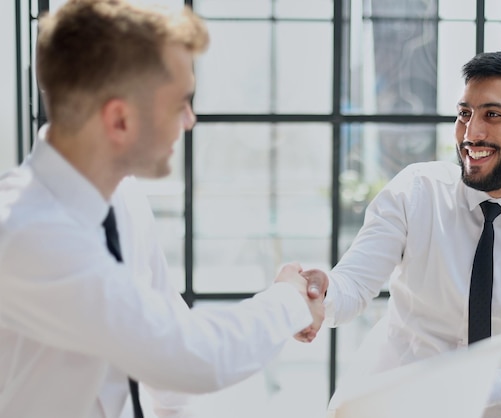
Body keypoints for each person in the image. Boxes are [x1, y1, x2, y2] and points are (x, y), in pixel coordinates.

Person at [0, 1, 327, 417]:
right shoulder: (26, 232)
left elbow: (167, 365)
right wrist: (289, 299)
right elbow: (186, 355)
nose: (190, 120)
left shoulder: (125, 197)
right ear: (119, 120)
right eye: (179, 103)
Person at [310, 50, 501, 405]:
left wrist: (491, 386)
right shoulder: (415, 190)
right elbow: (351, 286)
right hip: (398, 398)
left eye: (492, 115)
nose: (470, 133)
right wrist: (321, 295)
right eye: (464, 114)